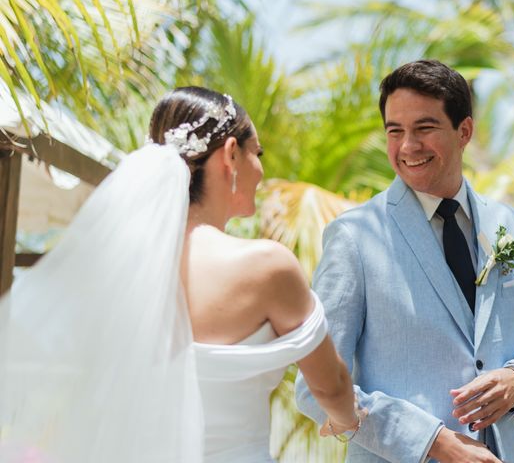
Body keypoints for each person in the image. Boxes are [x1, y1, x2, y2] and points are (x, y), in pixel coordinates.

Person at [0, 87, 365, 463]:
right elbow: (331, 386)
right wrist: (348, 420)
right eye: (257, 153)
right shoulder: (267, 266)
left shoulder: (120, 269)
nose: (261, 169)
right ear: (230, 155)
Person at [295, 60, 514, 463]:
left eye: (424, 128)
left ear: (465, 131)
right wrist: (432, 442)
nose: (408, 147)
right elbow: (315, 388)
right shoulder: (354, 236)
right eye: (395, 131)